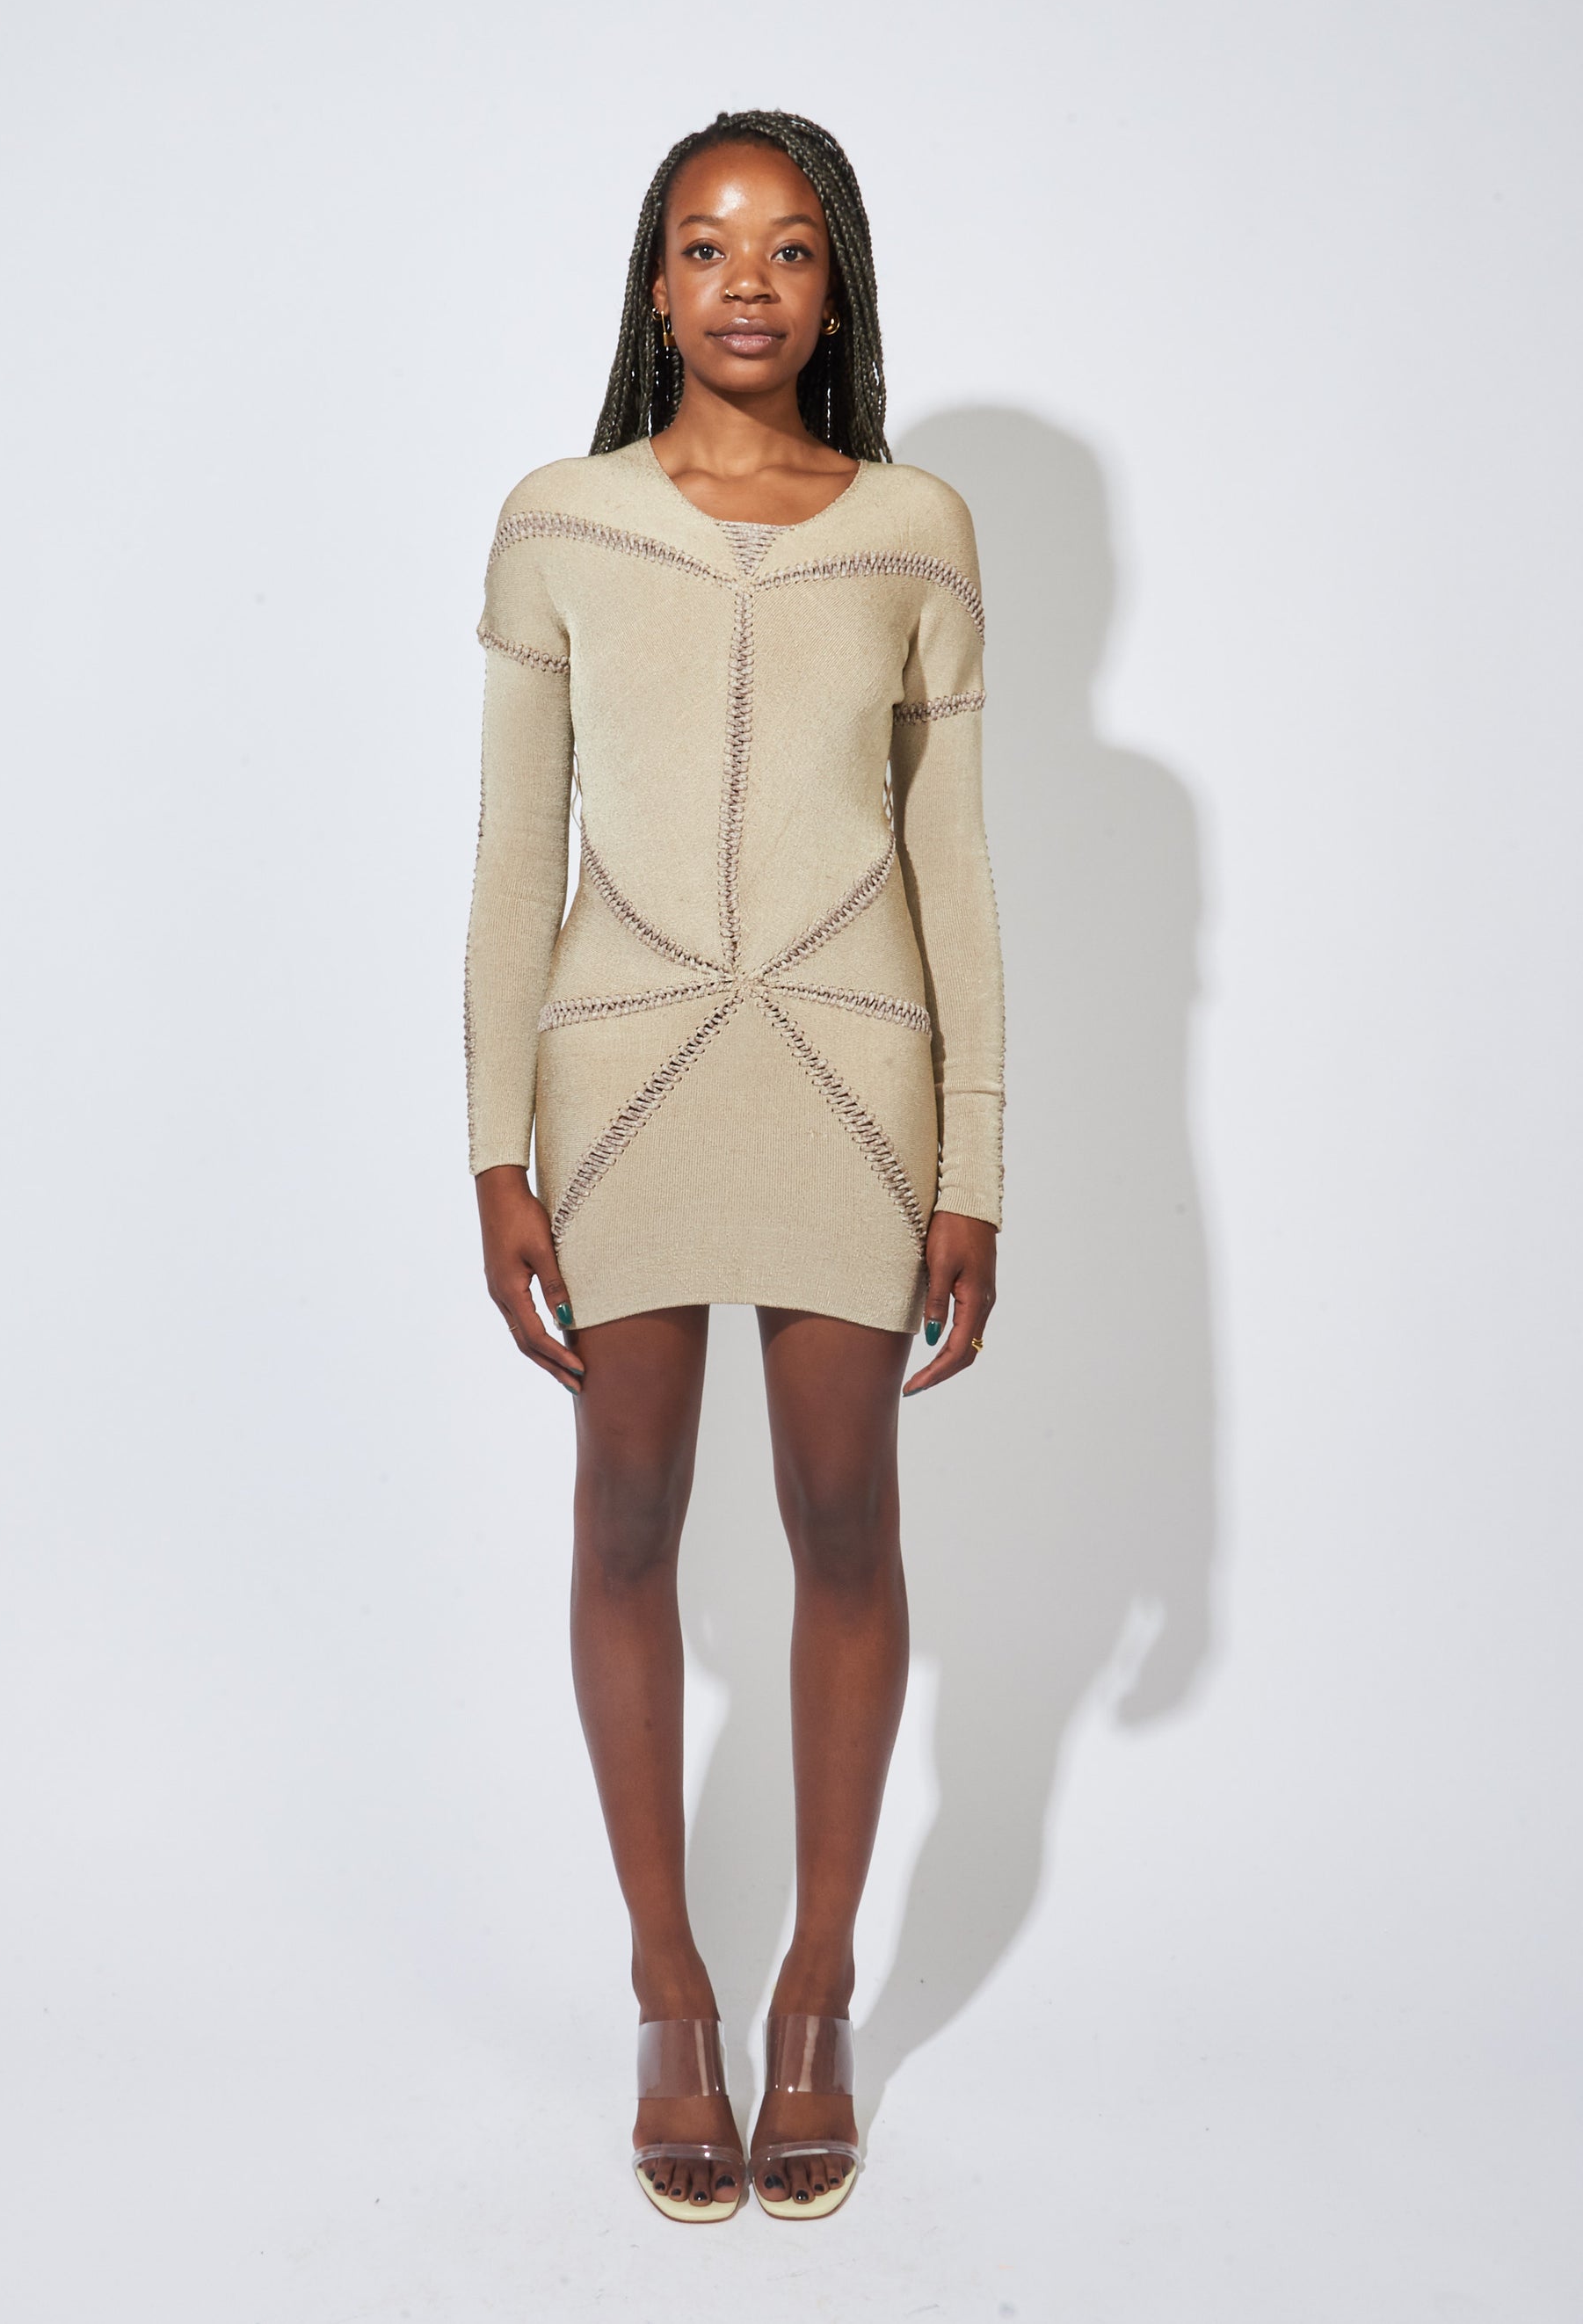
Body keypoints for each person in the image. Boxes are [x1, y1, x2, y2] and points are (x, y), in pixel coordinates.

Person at [461, 107, 1005, 2222]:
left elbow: (953, 865)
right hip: (620, 1082)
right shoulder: (560, 520)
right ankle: (667, 1984)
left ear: (833, 280)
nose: (746, 280)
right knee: (624, 1511)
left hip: (855, 1081)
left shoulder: (918, 529)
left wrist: (974, 1158)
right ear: (655, 284)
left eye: (785, 245)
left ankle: (815, 1986)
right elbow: (514, 857)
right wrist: (491, 1146)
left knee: (844, 1512)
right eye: (705, 245)